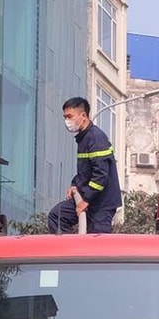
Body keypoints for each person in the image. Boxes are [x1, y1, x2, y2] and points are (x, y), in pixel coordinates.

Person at [45, 97, 121, 234]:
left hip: (102, 203)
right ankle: (69, 253)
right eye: (65, 117)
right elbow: (85, 171)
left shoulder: (96, 138)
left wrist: (85, 199)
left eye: (69, 116)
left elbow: (101, 176)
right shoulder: (83, 138)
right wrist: (75, 185)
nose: (67, 121)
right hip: (88, 196)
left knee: (96, 241)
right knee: (57, 216)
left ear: (83, 116)